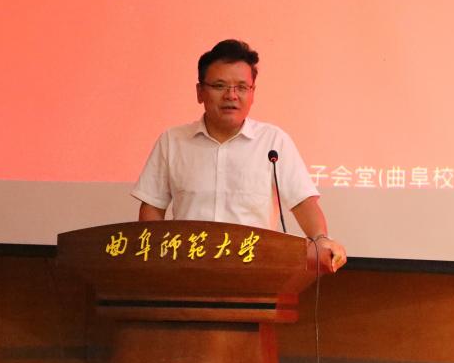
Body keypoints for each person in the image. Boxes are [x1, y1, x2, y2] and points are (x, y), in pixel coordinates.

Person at [132, 39, 348, 272]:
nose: (231, 95)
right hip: (187, 269)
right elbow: (152, 207)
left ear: (253, 93)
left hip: (256, 270)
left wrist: (320, 239)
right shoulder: (173, 141)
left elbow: (304, 203)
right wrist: (155, 257)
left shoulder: (273, 142)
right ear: (200, 92)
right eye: (219, 86)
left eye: (242, 87)